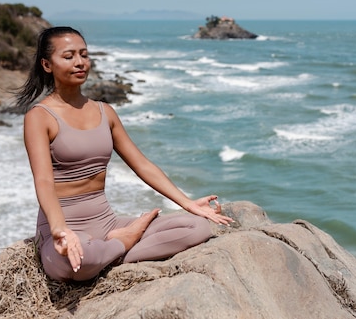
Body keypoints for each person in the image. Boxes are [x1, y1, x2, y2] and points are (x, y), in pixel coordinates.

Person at [14, 26, 233, 282]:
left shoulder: (104, 111)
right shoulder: (39, 117)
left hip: (107, 223)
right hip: (64, 229)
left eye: (84, 55)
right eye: (69, 56)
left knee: (197, 227)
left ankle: (114, 247)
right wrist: (60, 230)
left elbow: (141, 164)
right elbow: (43, 180)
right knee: (78, 261)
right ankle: (126, 241)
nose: (80, 62)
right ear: (47, 65)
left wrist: (187, 203)